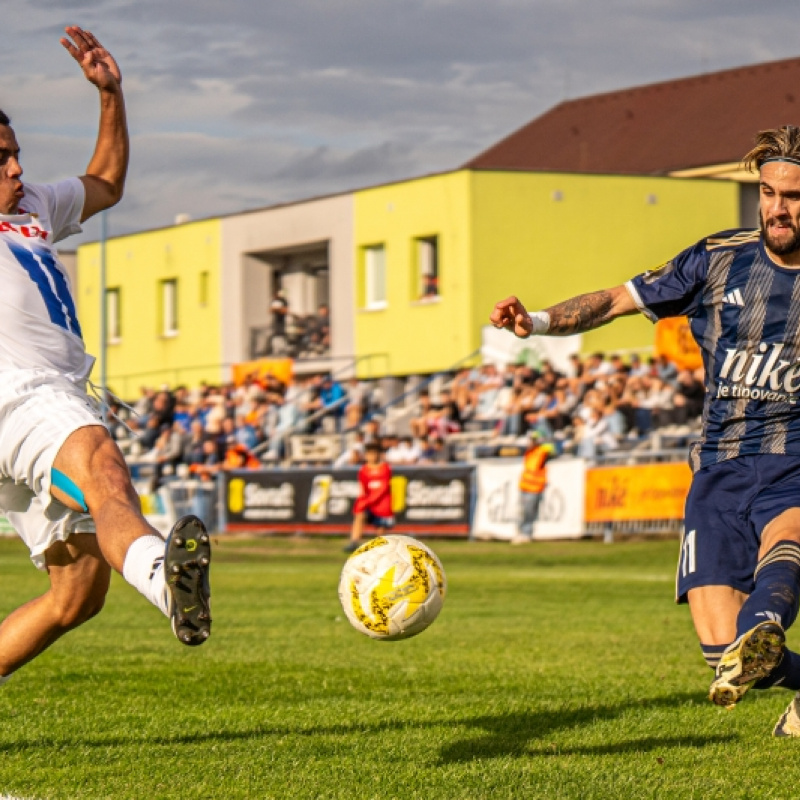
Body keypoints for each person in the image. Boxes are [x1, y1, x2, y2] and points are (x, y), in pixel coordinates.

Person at [490, 124, 800, 738]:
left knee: (784, 544)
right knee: (724, 653)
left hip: (793, 459)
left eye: (793, 196)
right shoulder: (717, 258)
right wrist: (540, 322)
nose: (777, 209)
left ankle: (767, 618)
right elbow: (616, 300)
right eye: (768, 192)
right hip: (718, 466)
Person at [0, 26, 212, 692]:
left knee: (77, 596)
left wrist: (111, 96)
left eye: (16, 154)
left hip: (49, 397)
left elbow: (105, 183)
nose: (17, 169)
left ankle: (149, 570)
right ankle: (164, 580)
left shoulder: (32, 209)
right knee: (100, 460)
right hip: (20, 397)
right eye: (1, 159)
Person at [343, 441, 394, 553]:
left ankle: (380, 547)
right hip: (369, 502)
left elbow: (384, 487)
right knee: (359, 515)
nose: (372, 456)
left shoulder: (385, 468)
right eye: (370, 454)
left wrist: (370, 500)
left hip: (382, 503)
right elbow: (362, 488)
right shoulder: (364, 470)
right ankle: (354, 542)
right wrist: (361, 502)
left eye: (375, 453)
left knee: (381, 529)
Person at [512, 431, 555, 545]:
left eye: (532, 440)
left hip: (535, 487)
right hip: (525, 486)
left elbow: (552, 450)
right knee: (522, 511)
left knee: (530, 512)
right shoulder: (529, 452)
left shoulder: (542, 451)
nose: (529, 442)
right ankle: (520, 532)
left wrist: (540, 440)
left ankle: (526, 534)